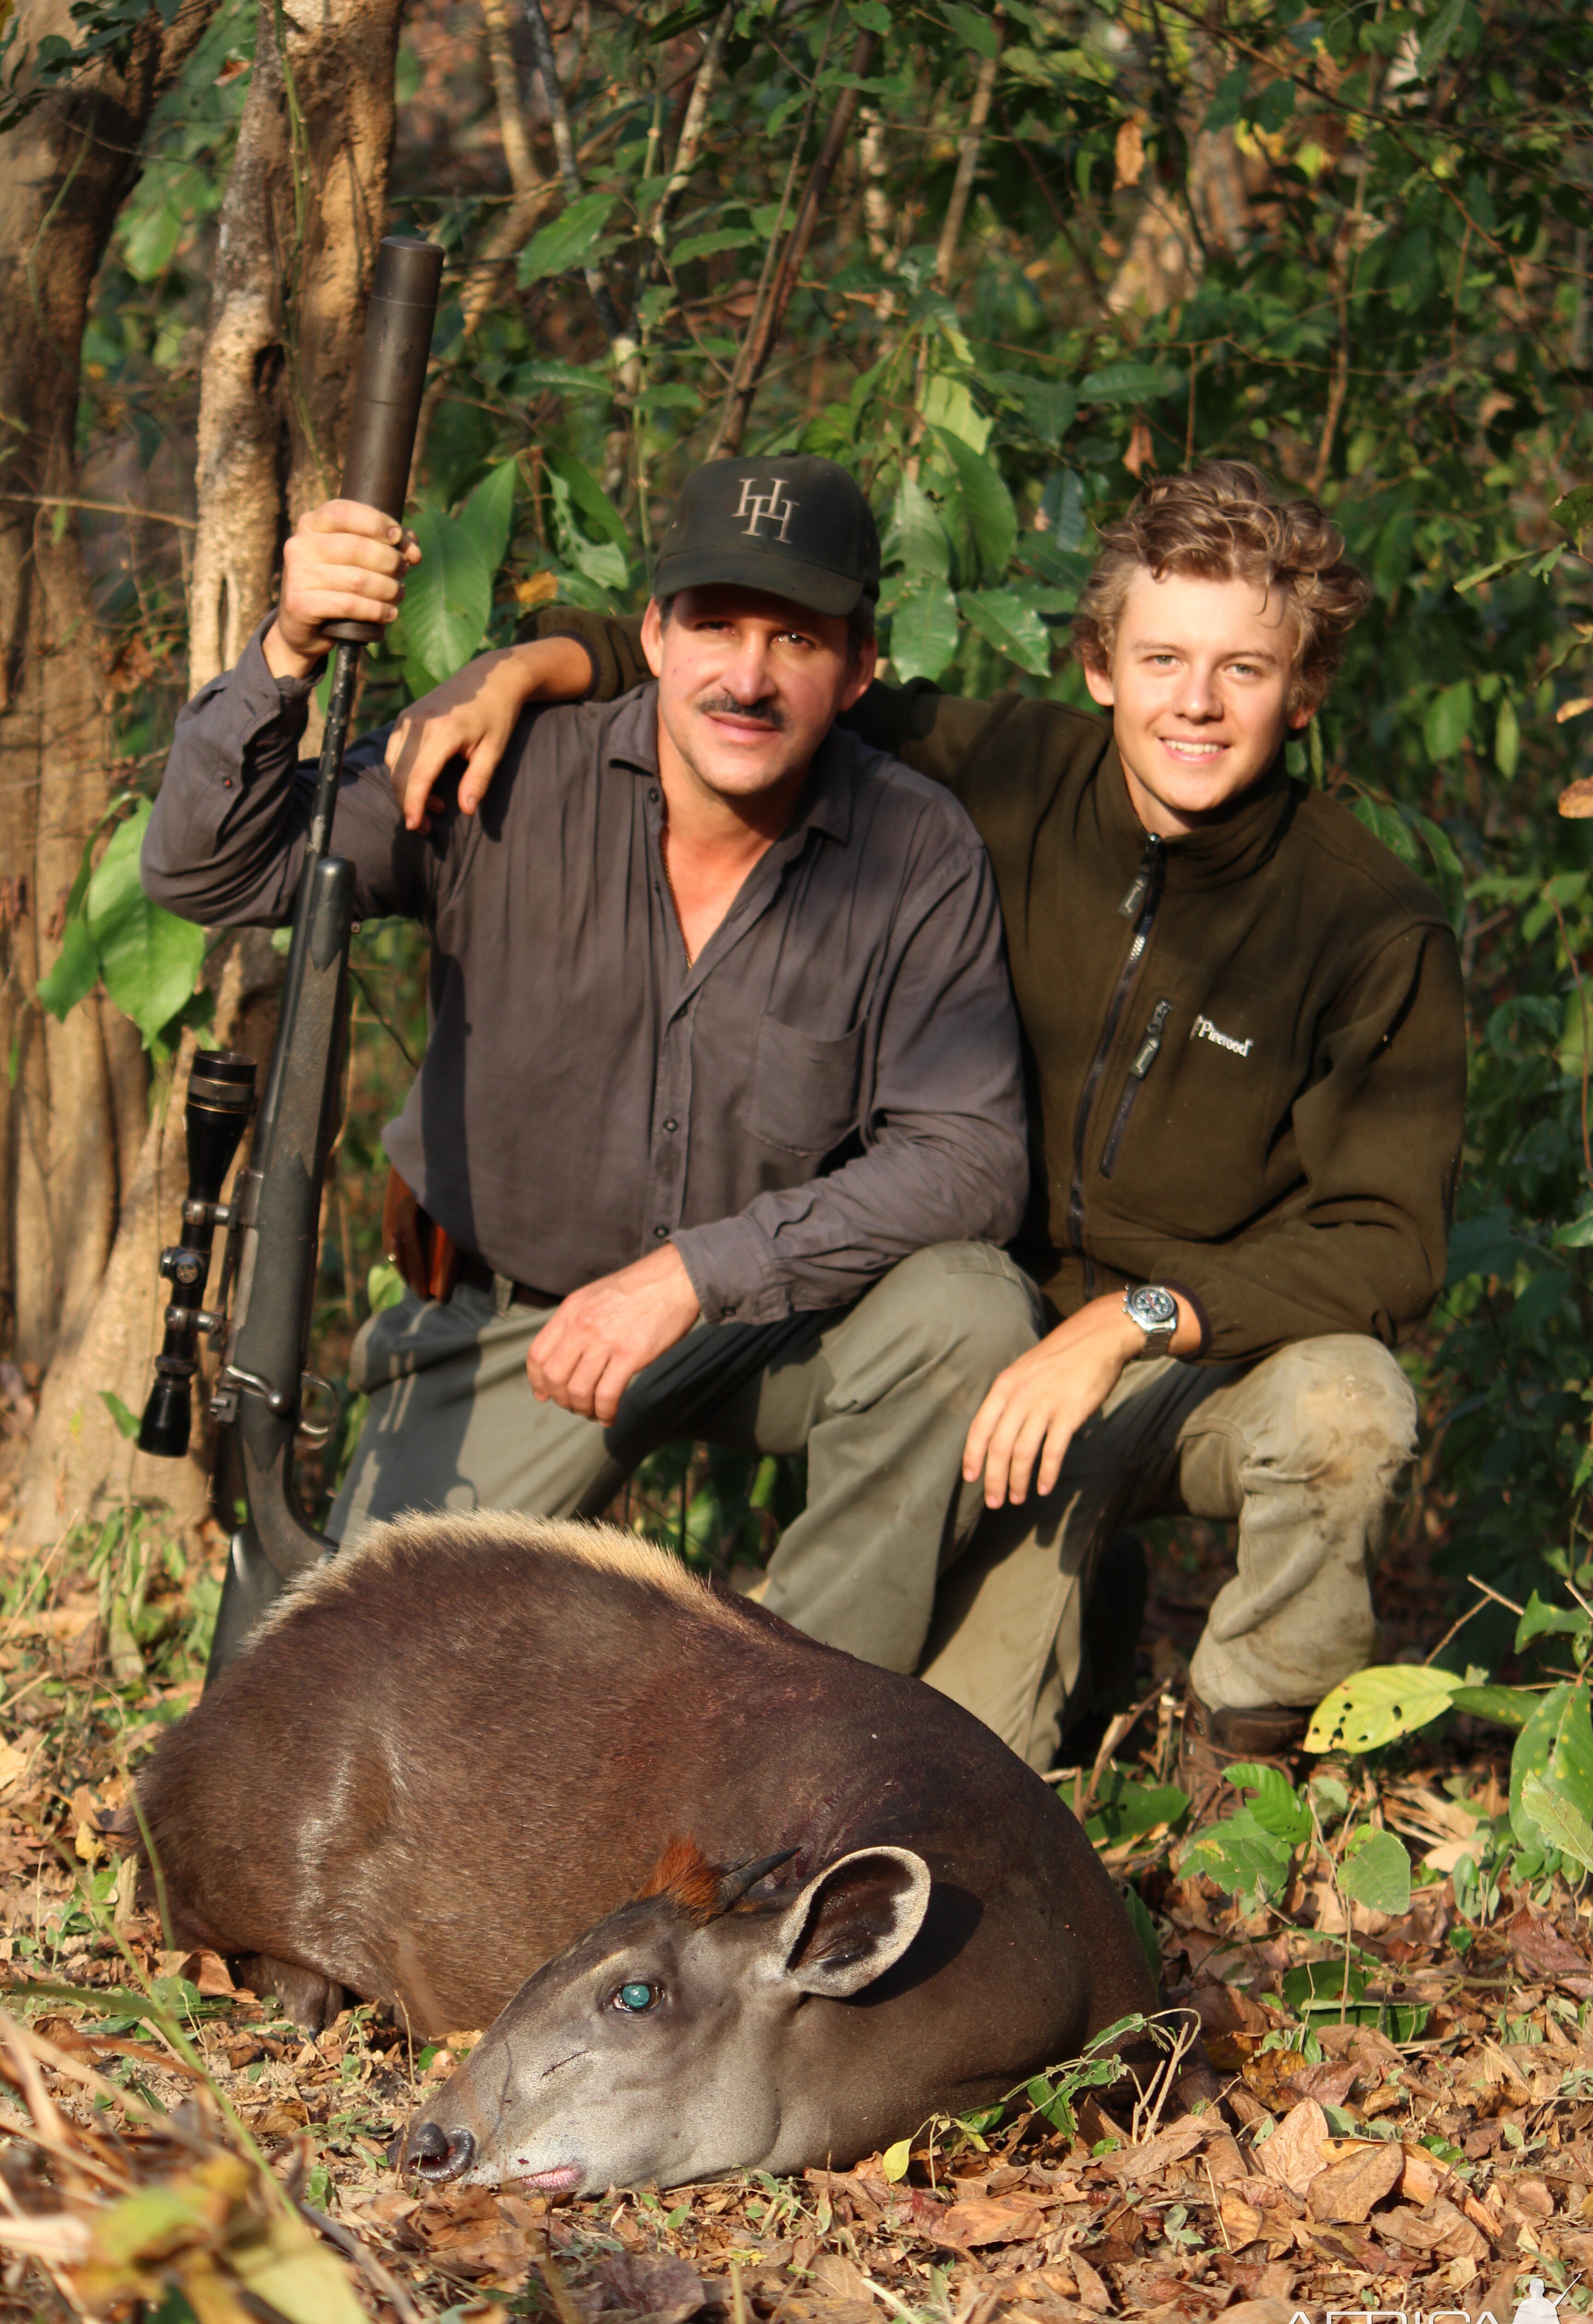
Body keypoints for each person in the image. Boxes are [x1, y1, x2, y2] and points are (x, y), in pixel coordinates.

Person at [389, 461, 1468, 1805]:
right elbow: (753, 680)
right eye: (1163, 658)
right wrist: (527, 667)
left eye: (1244, 671)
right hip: (989, 1360)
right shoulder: (1006, 772)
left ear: (1301, 694)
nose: (1195, 703)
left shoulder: (1370, 926)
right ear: (1100, 667)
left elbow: (1387, 1239)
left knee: (1350, 1406)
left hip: (1185, 1357)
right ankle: (1064, 1613)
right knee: (959, 1781)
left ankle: (1257, 1765)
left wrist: (1130, 1321)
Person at [142, 455, 1039, 1674]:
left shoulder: (914, 846)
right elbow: (209, 872)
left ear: (860, 664)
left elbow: (973, 1157)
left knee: (967, 1312)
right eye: (715, 625)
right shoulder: (501, 770)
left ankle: (808, 1742)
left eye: (797, 639)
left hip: (771, 1321)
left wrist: (692, 1273)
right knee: (355, 1680)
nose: (748, 676)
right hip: (518, 1318)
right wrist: (290, 647)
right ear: (655, 633)